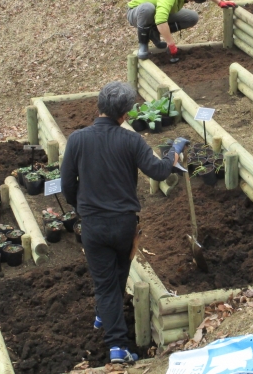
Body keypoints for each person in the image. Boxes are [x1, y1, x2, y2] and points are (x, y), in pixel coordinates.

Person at [60, 81, 189, 365]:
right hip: (123, 225)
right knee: (117, 274)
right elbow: (158, 171)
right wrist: (173, 154)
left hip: (93, 225)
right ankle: (111, 331)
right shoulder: (131, 141)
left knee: (107, 283)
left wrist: (81, 207)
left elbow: (68, 184)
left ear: (99, 106)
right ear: (125, 115)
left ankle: (113, 336)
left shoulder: (77, 140)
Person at [127, 0, 236, 62]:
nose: (191, 1)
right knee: (148, 8)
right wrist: (171, 44)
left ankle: (153, 32)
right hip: (137, 13)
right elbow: (160, 20)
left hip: (159, 10)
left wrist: (219, 2)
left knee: (192, 17)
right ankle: (143, 44)